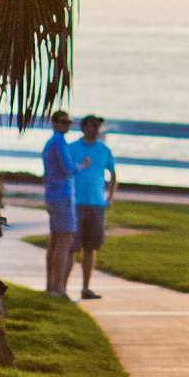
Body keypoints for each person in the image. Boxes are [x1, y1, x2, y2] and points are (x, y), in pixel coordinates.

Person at [67, 115, 116, 300]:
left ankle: (86, 288)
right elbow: (65, 171)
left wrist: (110, 196)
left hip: (96, 204)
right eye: (92, 125)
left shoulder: (104, 150)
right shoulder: (72, 148)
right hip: (76, 204)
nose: (94, 129)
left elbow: (113, 173)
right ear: (83, 127)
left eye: (97, 126)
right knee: (71, 247)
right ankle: (62, 287)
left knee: (90, 247)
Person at [41, 108, 78, 296]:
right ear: (55, 123)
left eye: (68, 122)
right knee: (64, 241)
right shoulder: (59, 142)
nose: (67, 125)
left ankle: (51, 285)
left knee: (56, 240)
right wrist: (81, 166)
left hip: (53, 195)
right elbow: (67, 169)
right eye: (63, 122)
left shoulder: (50, 143)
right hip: (62, 196)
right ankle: (57, 287)